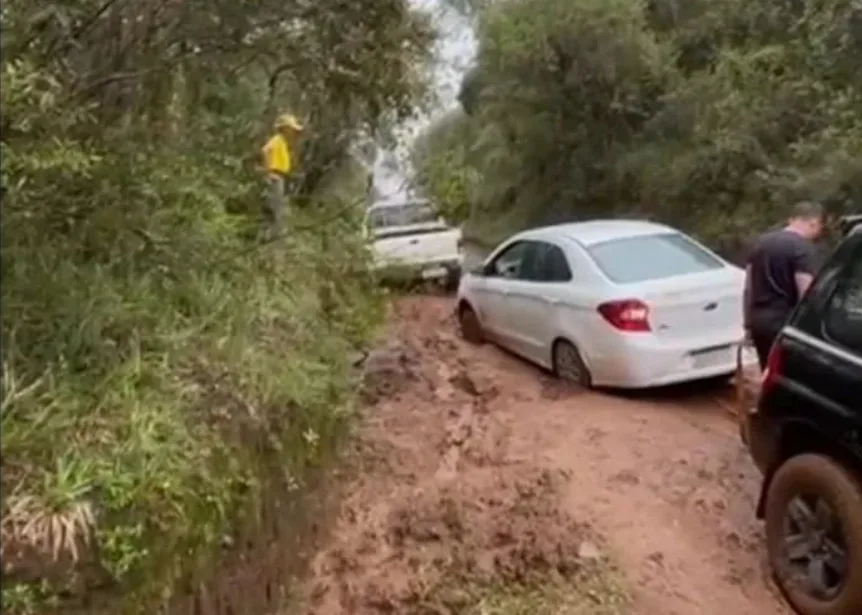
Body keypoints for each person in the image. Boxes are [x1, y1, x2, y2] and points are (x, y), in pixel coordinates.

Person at [743, 201, 825, 368]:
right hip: (785, 323)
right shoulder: (802, 249)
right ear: (813, 223)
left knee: (768, 371)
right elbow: (806, 292)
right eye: (819, 228)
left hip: (759, 321)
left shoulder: (761, 243)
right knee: (789, 374)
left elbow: (748, 288)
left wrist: (748, 323)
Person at [260, 113, 304, 238]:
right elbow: (265, 150)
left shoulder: (283, 143)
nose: (293, 133)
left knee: (276, 205)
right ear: (285, 128)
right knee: (274, 207)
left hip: (280, 177)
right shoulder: (277, 139)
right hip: (275, 177)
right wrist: (268, 172)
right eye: (292, 129)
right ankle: (272, 235)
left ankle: (270, 234)